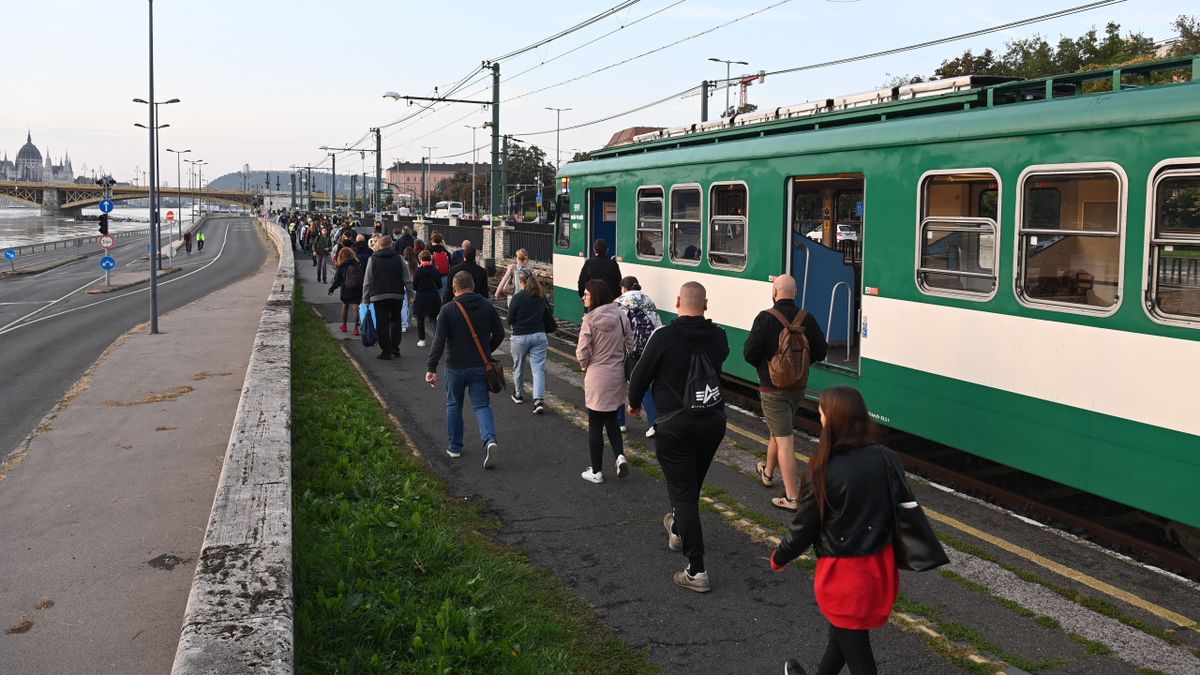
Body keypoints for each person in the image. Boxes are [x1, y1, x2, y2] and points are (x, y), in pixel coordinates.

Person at [771, 386, 906, 675]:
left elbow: (803, 528)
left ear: (831, 421)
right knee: (842, 637)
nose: (819, 419)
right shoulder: (887, 458)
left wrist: (779, 557)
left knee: (860, 658)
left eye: (821, 414)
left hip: (844, 577)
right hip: (880, 568)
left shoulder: (823, 469)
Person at [627, 281, 728, 593]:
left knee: (684, 494)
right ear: (706, 304)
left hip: (674, 424)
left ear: (678, 302)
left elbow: (639, 376)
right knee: (690, 486)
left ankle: (696, 569)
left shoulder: (664, 337)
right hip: (712, 422)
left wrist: (633, 404)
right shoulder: (719, 336)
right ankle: (678, 527)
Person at [743, 275, 828, 511]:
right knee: (778, 431)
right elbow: (821, 350)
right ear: (796, 292)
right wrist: (798, 368)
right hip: (798, 388)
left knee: (785, 441)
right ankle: (768, 473)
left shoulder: (765, 318)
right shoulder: (806, 318)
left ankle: (792, 497)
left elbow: (749, 353)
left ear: (774, 292)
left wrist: (769, 366)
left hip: (772, 388)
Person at [425, 271, 505, 467]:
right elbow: (500, 333)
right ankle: (490, 440)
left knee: (453, 405)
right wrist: (487, 351)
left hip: (455, 367)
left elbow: (438, 342)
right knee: (481, 406)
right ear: (473, 286)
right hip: (480, 366)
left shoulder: (447, 310)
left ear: (453, 288)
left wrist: (431, 367)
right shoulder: (487, 306)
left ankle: (455, 447)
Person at [576, 279, 635, 484]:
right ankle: (619, 456)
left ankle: (597, 471)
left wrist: (585, 366)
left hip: (597, 375)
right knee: (611, 420)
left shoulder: (589, 320)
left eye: (586, 294)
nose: (583, 296)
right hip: (617, 375)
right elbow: (631, 342)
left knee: (594, 424)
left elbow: (582, 352)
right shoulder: (620, 315)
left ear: (595, 297)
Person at [615, 276, 662, 436]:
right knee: (645, 384)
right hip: (647, 349)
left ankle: (620, 422)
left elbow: (616, 325)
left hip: (626, 350)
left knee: (619, 383)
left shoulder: (620, 301)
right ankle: (654, 422)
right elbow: (657, 325)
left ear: (624, 288)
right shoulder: (648, 300)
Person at [362, 235, 413, 360]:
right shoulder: (399, 258)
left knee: (382, 323)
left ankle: (386, 351)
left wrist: (365, 298)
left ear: (380, 245)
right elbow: (407, 279)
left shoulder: (373, 259)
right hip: (397, 295)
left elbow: (368, 281)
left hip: (378, 296)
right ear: (391, 245)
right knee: (396, 321)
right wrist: (411, 294)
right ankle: (395, 347)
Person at [506, 270, 550, 414]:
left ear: (521, 281)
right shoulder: (541, 296)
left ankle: (518, 394)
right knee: (538, 368)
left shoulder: (517, 298)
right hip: (539, 335)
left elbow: (509, 320)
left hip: (520, 337)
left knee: (518, 366)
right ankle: (538, 400)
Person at [328, 247, 364, 335]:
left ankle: (344, 325)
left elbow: (337, 279)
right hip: (357, 288)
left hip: (346, 288)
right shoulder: (356, 263)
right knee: (356, 308)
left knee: (345, 306)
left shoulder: (342, 266)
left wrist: (332, 289)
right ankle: (356, 328)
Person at [411, 249, 443, 347]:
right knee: (434, 319)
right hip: (433, 297)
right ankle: (438, 339)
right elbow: (439, 285)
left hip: (421, 297)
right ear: (430, 259)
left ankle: (422, 340)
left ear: (420, 259)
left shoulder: (418, 271)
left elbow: (414, 286)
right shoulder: (435, 271)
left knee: (420, 319)